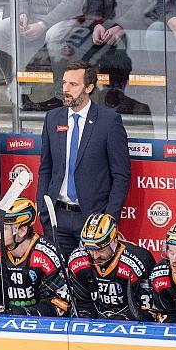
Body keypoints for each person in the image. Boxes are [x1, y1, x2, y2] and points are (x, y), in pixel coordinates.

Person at [36, 60, 130, 256]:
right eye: (64, 83)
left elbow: (121, 176)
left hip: (93, 220)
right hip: (56, 218)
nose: (66, 89)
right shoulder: (53, 118)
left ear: (89, 87)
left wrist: (109, 219)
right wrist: (44, 210)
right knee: (58, 281)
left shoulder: (109, 122)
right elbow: (46, 168)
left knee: (89, 281)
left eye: (73, 84)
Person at [0, 197, 69, 316]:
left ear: (22, 231)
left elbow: (58, 303)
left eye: (2, 228)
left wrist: (19, 313)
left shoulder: (48, 256)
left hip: (41, 328)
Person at [0, 0, 85, 109]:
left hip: (66, 20)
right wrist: (22, 13)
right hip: (32, 19)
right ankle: (15, 91)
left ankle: (63, 95)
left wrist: (43, 25)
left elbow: (72, 3)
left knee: (55, 35)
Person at [67, 213, 155, 320]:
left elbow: (147, 310)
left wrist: (120, 319)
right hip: (95, 318)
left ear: (114, 241)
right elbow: (81, 303)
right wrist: (84, 317)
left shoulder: (139, 260)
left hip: (128, 321)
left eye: (100, 250)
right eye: (90, 249)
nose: (95, 256)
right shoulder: (77, 261)